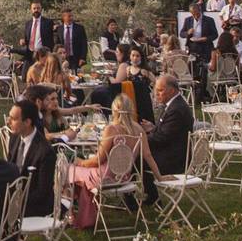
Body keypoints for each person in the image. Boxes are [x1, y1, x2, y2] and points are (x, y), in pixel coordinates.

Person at [67, 95, 167, 228]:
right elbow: (148, 156)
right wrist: (159, 177)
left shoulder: (112, 129)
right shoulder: (139, 130)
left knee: (68, 169)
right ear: (131, 109)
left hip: (105, 178)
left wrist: (80, 162)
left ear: (114, 110)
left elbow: (98, 160)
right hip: (125, 177)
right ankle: (85, 215)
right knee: (79, 172)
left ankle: (71, 215)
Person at [140, 75, 193, 205]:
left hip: (174, 159)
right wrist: (153, 128)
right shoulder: (174, 104)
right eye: (156, 90)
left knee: (136, 158)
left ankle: (149, 197)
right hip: (172, 150)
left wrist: (140, 139)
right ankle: (151, 196)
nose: (156, 94)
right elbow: (167, 132)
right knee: (139, 155)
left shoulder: (176, 109)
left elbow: (162, 138)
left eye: (160, 90)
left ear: (172, 91)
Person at [6, 100, 56, 218]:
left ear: (27, 122)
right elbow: (10, 169)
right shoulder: (14, 138)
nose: (8, 122)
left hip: (36, 205)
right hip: (15, 196)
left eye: (13, 119)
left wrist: (15, 202)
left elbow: (42, 192)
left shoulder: (45, 151)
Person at [23, 84, 95, 142]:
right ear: (40, 101)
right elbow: (47, 136)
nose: (56, 101)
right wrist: (65, 134)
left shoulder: (55, 112)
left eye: (56, 98)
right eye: (50, 99)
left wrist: (90, 107)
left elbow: (73, 110)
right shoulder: (36, 117)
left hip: (64, 145)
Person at [179, 2, 218, 101]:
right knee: (193, 70)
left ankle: (203, 94)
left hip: (205, 47)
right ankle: (194, 94)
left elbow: (215, 35)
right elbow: (181, 33)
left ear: (199, 11)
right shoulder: (188, 20)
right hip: (193, 47)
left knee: (204, 71)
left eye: (196, 13)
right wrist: (188, 32)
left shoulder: (209, 20)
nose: (194, 15)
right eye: (192, 13)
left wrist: (205, 38)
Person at [19, 1, 55, 77]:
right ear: (31, 10)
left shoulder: (48, 22)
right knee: (24, 76)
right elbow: (27, 38)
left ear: (41, 9)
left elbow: (52, 38)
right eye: (34, 8)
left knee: (41, 76)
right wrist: (23, 41)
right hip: (30, 54)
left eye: (38, 8)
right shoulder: (28, 23)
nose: (36, 10)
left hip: (42, 55)